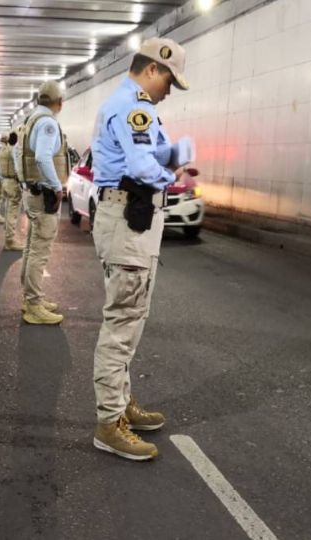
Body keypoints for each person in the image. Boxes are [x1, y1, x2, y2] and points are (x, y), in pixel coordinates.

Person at [89, 38, 193, 462]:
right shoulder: (135, 107)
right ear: (153, 69)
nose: (170, 90)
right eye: (169, 80)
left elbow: (150, 155)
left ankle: (121, 402)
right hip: (129, 221)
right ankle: (109, 422)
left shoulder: (129, 106)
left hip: (130, 222)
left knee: (131, 317)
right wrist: (173, 179)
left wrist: (174, 155)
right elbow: (140, 166)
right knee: (122, 322)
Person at [16, 81, 68, 325]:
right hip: (44, 195)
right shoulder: (47, 123)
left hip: (32, 191)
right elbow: (43, 157)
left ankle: (31, 299)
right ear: (59, 102)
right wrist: (57, 186)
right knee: (40, 251)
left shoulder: (29, 122)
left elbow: (20, 156)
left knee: (30, 247)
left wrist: (23, 182)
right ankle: (34, 304)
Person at [0, 131, 24, 251]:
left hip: (4, 181)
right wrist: (23, 182)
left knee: (8, 209)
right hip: (13, 183)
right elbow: (18, 167)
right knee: (13, 212)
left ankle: (7, 234)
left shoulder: (3, 150)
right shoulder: (15, 150)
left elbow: (0, 168)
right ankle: (10, 241)